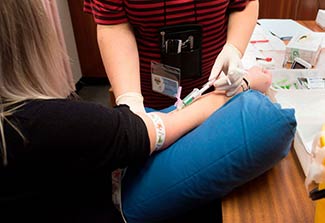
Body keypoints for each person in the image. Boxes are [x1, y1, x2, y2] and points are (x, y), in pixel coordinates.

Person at [0, 1, 296, 223]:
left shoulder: (37, 124)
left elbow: (243, 5)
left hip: (172, 110)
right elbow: (143, 131)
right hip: (124, 179)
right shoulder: (51, 123)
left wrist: (233, 47)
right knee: (267, 121)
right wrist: (244, 85)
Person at [83, 0, 259, 111]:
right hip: (146, 98)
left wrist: (234, 48)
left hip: (214, 91)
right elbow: (113, 25)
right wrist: (131, 99)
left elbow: (244, 4)